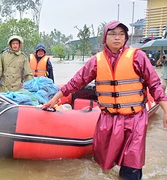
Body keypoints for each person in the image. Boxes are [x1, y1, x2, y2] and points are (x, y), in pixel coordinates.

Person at [42, 20, 167, 180]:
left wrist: (165, 109)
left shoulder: (138, 57)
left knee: (131, 168)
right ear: (105, 38)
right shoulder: (96, 61)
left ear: (126, 38)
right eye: (113, 34)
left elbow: (155, 84)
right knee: (102, 165)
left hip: (134, 119)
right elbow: (75, 82)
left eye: (121, 34)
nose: (117, 38)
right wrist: (55, 100)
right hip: (108, 119)